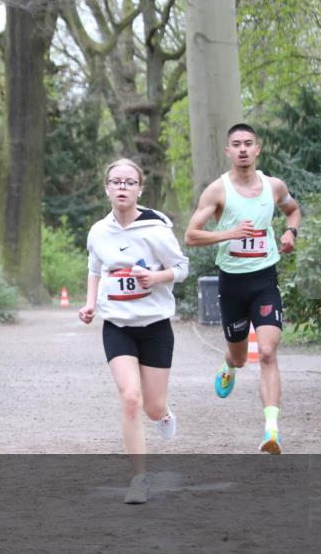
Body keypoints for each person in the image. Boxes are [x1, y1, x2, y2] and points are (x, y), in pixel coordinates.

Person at [185, 123, 301, 454]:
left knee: (266, 352)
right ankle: (228, 366)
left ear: (258, 149)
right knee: (238, 356)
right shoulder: (217, 191)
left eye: (248, 143)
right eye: (236, 144)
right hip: (232, 282)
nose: (243, 149)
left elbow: (292, 211)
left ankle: (271, 431)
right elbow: (191, 235)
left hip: (265, 279)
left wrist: (291, 234)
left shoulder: (274, 186)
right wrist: (229, 234)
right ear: (228, 151)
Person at [78, 158, 189, 504]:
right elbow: (95, 269)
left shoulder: (156, 230)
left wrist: (156, 278)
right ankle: (140, 478)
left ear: (140, 189)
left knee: (152, 408)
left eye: (129, 182)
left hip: (155, 326)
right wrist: (90, 303)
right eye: (116, 182)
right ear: (107, 188)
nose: (122, 188)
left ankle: (165, 413)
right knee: (130, 399)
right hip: (117, 326)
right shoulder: (99, 231)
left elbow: (182, 268)